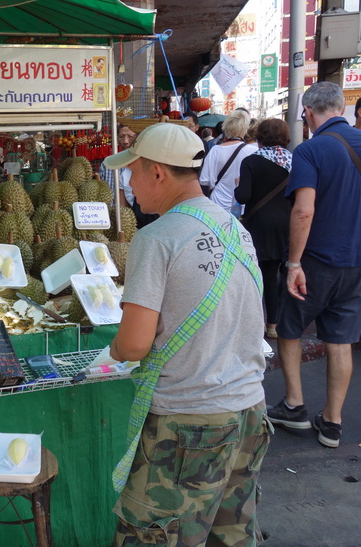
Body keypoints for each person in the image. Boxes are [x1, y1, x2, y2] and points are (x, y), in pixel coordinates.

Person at [104, 123, 268, 545]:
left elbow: (135, 344)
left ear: (157, 173)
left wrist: (114, 347)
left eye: (133, 172)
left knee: (154, 536)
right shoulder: (235, 229)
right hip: (249, 411)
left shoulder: (157, 238)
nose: (130, 184)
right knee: (228, 535)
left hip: (190, 425)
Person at [266, 81, 361, 449]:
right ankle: (333, 423)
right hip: (355, 265)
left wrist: (293, 263)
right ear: (342, 108)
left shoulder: (310, 150)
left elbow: (304, 210)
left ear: (307, 113)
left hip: (316, 262)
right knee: (340, 342)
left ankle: (294, 404)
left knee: (289, 330)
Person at [234, 119, 292, 340]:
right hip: (284, 226)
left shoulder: (251, 162)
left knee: (253, 275)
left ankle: (252, 324)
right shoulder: (292, 161)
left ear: (259, 137)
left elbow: (243, 196)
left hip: (257, 226)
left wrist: (238, 184)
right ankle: (273, 325)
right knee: (272, 276)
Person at [200, 109, 257, 213]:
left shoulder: (215, 150)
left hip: (217, 206)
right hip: (242, 208)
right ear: (245, 128)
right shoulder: (253, 152)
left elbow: (204, 181)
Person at [100, 124, 157, 228]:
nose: (125, 141)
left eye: (130, 136)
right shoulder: (109, 165)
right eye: (121, 136)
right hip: (124, 220)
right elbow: (123, 207)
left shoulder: (149, 165)